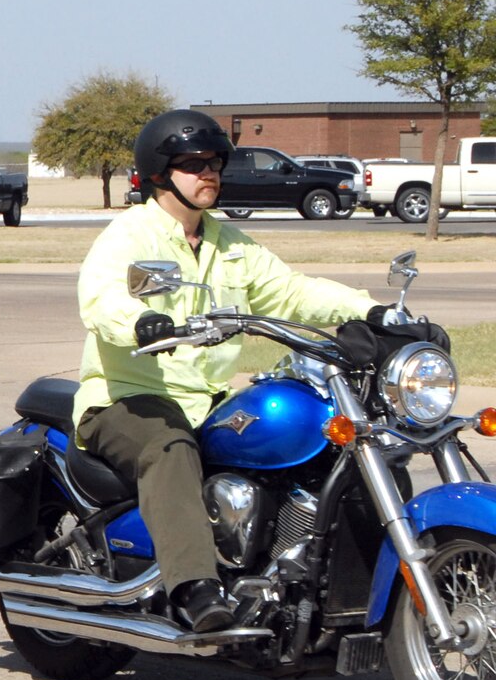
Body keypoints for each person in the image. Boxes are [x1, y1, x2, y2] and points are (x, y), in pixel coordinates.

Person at [72, 109, 387, 633]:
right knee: (168, 448)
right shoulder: (130, 236)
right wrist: (143, 322)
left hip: (209, 398)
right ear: (159, 172)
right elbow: (101, 298)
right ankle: (195, 589)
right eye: (194, 163)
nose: (209, 173)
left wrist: (370, 312)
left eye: (215, 162)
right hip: (129, 396)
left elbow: (291, 290)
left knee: (321, 441)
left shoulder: (228, 244)